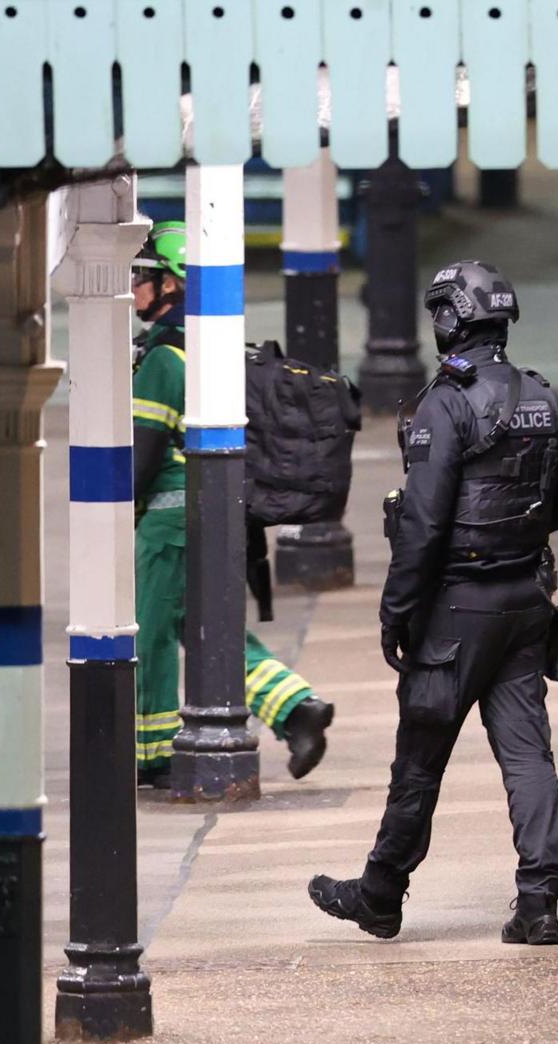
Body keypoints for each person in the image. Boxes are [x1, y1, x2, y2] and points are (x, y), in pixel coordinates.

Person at [307, 260, 558, 945]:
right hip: (525, 602)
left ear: (451, 319)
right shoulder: (544, 398)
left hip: (456, 613)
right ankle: (538, 900)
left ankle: (380, 893)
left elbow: (424, 526)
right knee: (528, 755)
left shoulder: (445, 404)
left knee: (420, 759)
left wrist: (397, 612)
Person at [128, 219, 334, 785]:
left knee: (150, 634)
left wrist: (111, 511)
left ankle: (153, 754)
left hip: (166, 525)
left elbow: (141, 460)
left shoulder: (163, 361)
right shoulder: (211, 350)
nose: (134, 286)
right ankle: (295, 708)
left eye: (143, 275)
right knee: (212, 628)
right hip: (213, 517)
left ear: (173, 283)